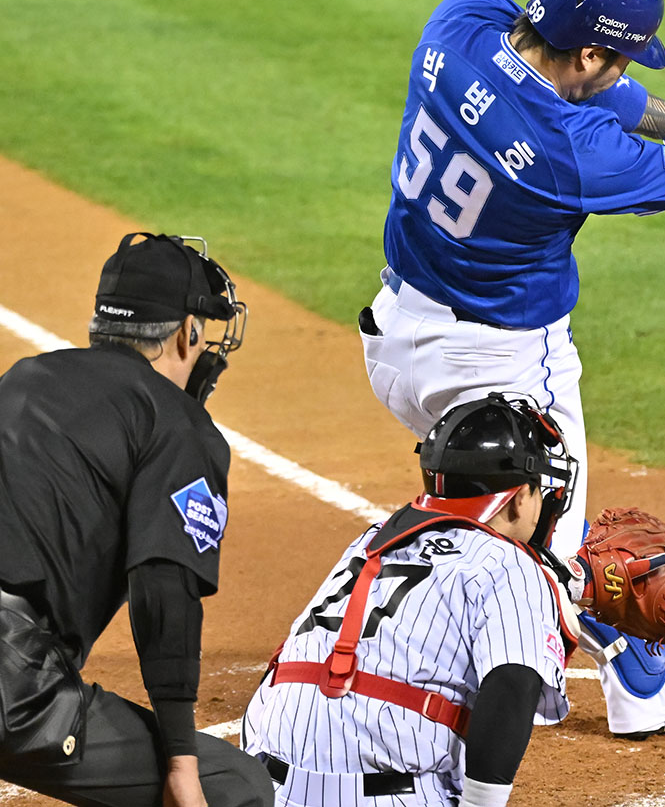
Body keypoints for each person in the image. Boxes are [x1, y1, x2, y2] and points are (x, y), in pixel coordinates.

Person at [358, 0, 665, 738]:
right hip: (504, 368)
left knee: (496, 517)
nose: (624, 68)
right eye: (619, 52)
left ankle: (606, 662)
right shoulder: (572, 153)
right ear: (592, 51)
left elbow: (605, 94)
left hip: (396, 344)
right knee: (555, 554)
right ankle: (634, 689)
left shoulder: (458, 24)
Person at [0, 233, 272, 806]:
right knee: (238, 788)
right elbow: (163, 591)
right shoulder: (175, 422)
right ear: (186, 333)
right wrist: (180, 763)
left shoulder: (23, 379)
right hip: (11, 689)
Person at [242, 393, 580, 807]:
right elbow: (512, 685)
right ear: (518, 498)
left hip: (268, 786)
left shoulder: (373, 540)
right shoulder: (508, 563)